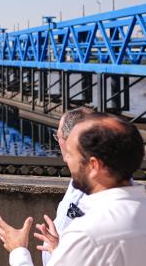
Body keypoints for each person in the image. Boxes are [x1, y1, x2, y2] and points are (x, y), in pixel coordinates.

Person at [0, 113, 146, 266]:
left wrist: (19, 250)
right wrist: (61, 251)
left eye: (71, 154)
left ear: (94, 165)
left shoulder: (88, 234)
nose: (66, 159)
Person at [39, 107, 94, 265]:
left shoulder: (96, 189)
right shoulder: (77, 178)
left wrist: (19, 251)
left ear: (71, 140)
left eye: (58, 137)